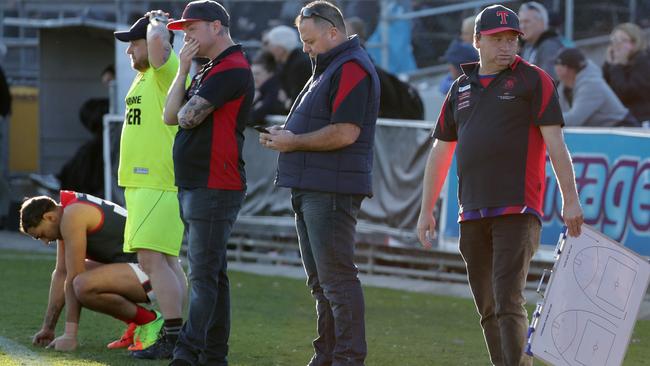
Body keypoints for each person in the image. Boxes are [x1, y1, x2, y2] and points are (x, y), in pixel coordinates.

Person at [416, 5, 583, 366]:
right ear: (477, 41)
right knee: (488, 307)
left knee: (507, 300)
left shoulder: (534, 79)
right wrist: (427, 209)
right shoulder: (460, 87)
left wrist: (571, 200)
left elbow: (556, 144)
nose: (507, 47)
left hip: (519, 209)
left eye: (513, 40)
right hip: (470, 210)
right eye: (497, 39)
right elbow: (441, 150)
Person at [259, 1, 380, 365]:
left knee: (336, 280)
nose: (305, 48)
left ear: (333, 32)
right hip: (315, 185)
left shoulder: (351, 68)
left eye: (309, 40)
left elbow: (345, 132)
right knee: (322, 283)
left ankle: (345, 358)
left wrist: (291, 141)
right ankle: (327, 355)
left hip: (330, 190)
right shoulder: (331, 66)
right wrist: (288, 136)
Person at [164, 1, 254, 364]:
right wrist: (183, 66)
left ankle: (187, 353)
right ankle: (214, 355)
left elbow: (185, 118)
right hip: (200, 184)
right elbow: (169, 115)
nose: (187, 35)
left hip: (214, 185)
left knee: (202, 276)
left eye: (193, 28)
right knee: (212, 275)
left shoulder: (230, 68)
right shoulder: (210, 67)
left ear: (217, 27)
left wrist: (186, 66)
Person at [113, 10, 188, 360]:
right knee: (167, 261)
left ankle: (171, 334)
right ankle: (179, 333)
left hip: (157, 180)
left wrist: (158, 21)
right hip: (148, 183)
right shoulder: (145, 76)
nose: (129, 51)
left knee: (152, 259)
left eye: (134, 44)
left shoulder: (165, 67)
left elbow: (159, 42)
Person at [21, 191, 163, 352]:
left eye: (41, 235)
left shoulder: (72, 215)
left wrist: (70, 335)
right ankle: (138, 325)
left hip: (157, 272)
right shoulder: (66, 214)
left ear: (49, 217)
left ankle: (150, 321)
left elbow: (74, 278)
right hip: (145, 268)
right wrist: (48, 327)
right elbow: (62, 274)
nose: (46, 242)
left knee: (82, 284)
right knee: (75, 279)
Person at [554, 48, 639, 127]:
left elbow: (573, 120)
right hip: (606, 133)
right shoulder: (563, 86)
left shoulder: (592, 85)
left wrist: (546, 121)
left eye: (558, 64)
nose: (555, 68)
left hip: (623, 129)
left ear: (567, 69)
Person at [602, 22, 650, 123]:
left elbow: (626, 93)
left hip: (640, 120)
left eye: (622, 40)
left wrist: (617, 66)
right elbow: (604, 90)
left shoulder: (643, 61)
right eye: (614, 40)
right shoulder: (613, 64)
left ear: (634, 43)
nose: (616, 45)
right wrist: (608, 65)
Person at [263, 25, 312, 110]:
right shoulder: (288, 63)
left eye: (271, 46)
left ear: (280, 47)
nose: (269, 50)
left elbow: (297, 100)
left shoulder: (300, 65)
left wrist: (287, 103)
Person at [518, 1, 564, 80]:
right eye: (520, 22)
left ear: (541, 23)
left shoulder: (549, 46)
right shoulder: (528, 45)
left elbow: (549, 82)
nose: (522, 26)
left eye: (527, 21)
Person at [250, 51, 286, 125]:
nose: (254, 77)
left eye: (257, 73)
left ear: (270, 73)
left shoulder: (273, 91)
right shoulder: (261, 92)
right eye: (252, 74)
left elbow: (253, 117)